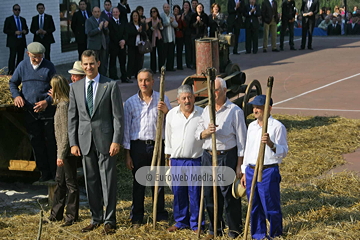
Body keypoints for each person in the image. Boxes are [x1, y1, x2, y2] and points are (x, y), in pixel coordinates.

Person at [68, 50, 123, 235]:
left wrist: (116, 140)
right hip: (84, 142)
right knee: (90, 181)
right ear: (81, 65)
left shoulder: (110, 85)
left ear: (98, 63)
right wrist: (73, 143)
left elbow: (118, 117)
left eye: (92, 63)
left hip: (106, 141)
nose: (88, 67)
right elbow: (72, 118)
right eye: (85, 64)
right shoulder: (75, 87)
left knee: (108, 181)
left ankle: (109, 220)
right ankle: (95, 218)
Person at [195, 77, 247, 239]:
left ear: (225, 91)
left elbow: (242, 142)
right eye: (211, 90)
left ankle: (234, 229)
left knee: (228, 194)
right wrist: (206, 132)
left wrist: (240, 166)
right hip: (208, 156)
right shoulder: (207, 109)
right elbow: (198, 134)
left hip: (226, 156)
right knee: (209, 193)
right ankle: (215, 228)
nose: (213, 94)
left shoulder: (234, 111)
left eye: (216, 90)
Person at [123, 68, 170, 228]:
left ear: (153, 81)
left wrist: (167, 112)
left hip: (157, 145)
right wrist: (127, 154)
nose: (144, 83)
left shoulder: (162, 98)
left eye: (147, 80)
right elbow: (126, 130)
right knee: (138, 183)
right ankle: (137, 216)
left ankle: (160, 214)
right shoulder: (130, 103)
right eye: (141, 80)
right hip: (138, 147)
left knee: (158, 183)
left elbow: (171, 125)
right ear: (137, 81)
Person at [240, 95, 288, 240]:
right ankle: (258, 234)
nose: (255, 110)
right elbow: (247, 149)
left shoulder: (277, 127)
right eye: (254, 107)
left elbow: (284, 151)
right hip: (251, 170)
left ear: (269, 108)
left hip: (267, 170)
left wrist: (271, 144)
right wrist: (244, 171)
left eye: (258, 108)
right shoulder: (252, 127)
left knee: (270, 205)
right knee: (253, 205)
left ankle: (275, 234)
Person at [9, 42, 57, 182]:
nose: (37, 59)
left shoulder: (49, 66)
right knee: (36, 143)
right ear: (28, 54)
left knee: (50, 142)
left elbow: (56, 88)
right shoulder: (22, 66)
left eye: (40, 57)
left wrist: (47, 101)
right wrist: (16, 95)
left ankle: (55, 173)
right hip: (30, 112)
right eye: (35, 57)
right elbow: (13, 83)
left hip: (47, 112)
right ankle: (44, 173)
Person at [165, 85, 204, 233]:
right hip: (177, 160)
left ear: (194, 98)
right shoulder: (172, 115)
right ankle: (181, 221)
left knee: (195, 192)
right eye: (184, 98)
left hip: (195, 160)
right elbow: (168, 137)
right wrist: (169, 157)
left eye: (189, 97)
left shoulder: (202, 114)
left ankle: (196, 223)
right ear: (178, 100)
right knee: (178, 192)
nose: (187, 101)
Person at [47, 75, 79, 227]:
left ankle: (71, 215)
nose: (50, 90)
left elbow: (65, 133)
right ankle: (56, 214)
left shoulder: (64, 106)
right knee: (60, 182)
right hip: (62, 151)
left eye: (53, 88)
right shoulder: (60, 104)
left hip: (66, 152)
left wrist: (60, 155)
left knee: (70, 184)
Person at [3, 4, 29, 75]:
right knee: (12, 57)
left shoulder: (23, 19)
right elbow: (5, 30)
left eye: (18, 10)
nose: (17, 11)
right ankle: (11, 72)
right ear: (13, 10)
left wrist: (25, 31)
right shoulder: (9, 19)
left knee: (20, 57)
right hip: (13, 42)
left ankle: (19, 71)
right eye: (15, 9)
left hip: (21, 41)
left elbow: (27, 29)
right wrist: (14, 32)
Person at [85, 6, 109, 76]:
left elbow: (107, 33)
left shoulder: (103, 20)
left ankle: (104, 77)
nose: (97, 13)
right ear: (92, 13)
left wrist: (106, 27)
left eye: (98, 12)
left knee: (103, 63)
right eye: (95, 12)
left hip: (102, 45)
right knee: (95, 63)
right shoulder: (89, 21)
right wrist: (98, 28)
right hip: (94, 46)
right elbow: (89, 33)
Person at [109, 7, 130, 83]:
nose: (115, 13)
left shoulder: (123, 21)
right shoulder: (110, 22)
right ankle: (113, 77)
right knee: (113, 62)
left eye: (116, 12)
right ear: (112, 13)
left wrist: (124, 40)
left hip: (122, 45)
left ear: (119, 13)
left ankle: (124, 77)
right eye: (114, 12)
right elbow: (111, 34)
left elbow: (126, 32)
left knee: (123, 62)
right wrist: (119, 41)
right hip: (114, 45)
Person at [126, 10, 147, 79]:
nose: (135, 17)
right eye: (134, 16)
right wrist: (137, 31)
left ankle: (138, 74)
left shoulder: (141, 25)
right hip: (132, 45)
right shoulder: (129, 25)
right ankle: (129, 75)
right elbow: (129, 34)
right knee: (131, 60)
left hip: (140, 45)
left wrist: (141, 32)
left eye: (136, 16)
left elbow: (145, 35)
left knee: (139, 60)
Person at [190, 3, 209, 69]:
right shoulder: (193, 15)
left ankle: (203, 63)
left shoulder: (205, 16)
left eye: (201, 7)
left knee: (203, 50)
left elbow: (205, 25)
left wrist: (200, 21)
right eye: (198, 7)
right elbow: (191, 25)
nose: (199, 8)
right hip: (194, 35)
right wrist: (196, 21)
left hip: (202, 35)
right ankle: (194, 64)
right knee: (194, 50)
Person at [160, 3, 178, 72]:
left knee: (171, 54)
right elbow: (163, 25)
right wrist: (169, 21)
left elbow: (176, 25)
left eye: (167, 7)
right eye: (165, 7)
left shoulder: (172, 15)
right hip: (165, 38)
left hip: (172, 37)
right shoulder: (161, 15)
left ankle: (170, 67)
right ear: (163, 8)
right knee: (164, 54)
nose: (166, 8)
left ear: (169, 8)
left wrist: (172, 21)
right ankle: (162, 67)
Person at [147, 7, 164, 74]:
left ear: (157, 12)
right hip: (152, 38)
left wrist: (159, 23)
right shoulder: (150, 20)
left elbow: (162, 28)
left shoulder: (159, 19)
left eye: (154, 11)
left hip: (159, 37)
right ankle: (153, 69)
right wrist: (156, 23)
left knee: (161, 53)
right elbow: (151, 29)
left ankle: (161, 68)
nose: (153, 13)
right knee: (153, 54)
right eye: (152, 12)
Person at [182, 1, 194, 69]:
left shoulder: (191, 14)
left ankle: (191, 63)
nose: (185, 7)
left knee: (191, 49)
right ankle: (187, 63)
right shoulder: (181, 13)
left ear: (189, 7)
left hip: (190, 33)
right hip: (184, 34)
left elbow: (190, 22)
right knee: (187, 49)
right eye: (184, 5)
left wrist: (185, 16)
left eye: (187, 5)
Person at [173, 5, 185, 70]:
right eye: (175, 10)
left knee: (179, 51)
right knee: (172, 51)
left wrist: (182, 19)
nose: (176, 11)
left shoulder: (181, 17)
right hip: (173, 34)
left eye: (177, 10)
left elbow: (184, 25)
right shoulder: (172, 17)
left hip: (179, 34)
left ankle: (179, 66)